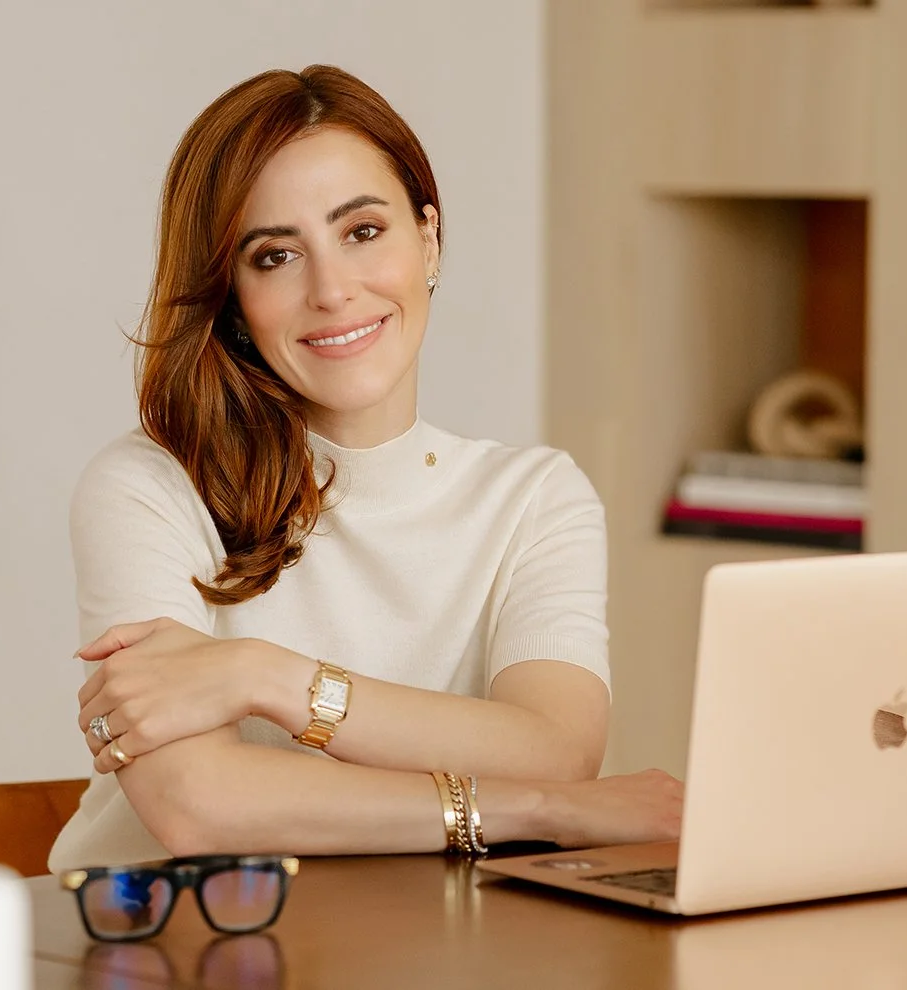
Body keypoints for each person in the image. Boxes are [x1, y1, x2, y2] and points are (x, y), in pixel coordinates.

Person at [48, 64, 682, 871]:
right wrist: (540, 809)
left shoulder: (534, 499)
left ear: (429, 239)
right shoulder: (149, 487)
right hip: (170, 950)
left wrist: (263, 676)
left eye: (362, 232)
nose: (333, 290)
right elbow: (195, 805)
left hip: (429, 944)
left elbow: (557, 746)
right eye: (275, 256)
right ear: (232, 299)